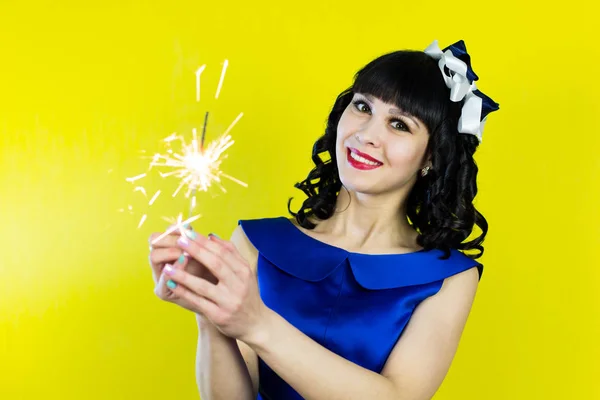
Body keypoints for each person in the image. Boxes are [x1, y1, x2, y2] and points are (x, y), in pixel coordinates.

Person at [148, 39, 500, 400]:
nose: (366, 135)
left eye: (399, 125)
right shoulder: (255, 242)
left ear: (431, 157)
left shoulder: (448, 277)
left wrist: (256, 324)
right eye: (363, 106)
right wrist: (210, 314)